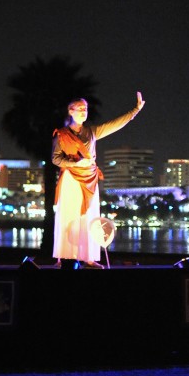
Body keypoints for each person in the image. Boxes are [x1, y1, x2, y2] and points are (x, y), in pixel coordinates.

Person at [52, 92, 145, 268]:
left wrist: (135, 110)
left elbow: (115, 125)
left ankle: (88, 257)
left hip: (90, 179)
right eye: (79, 109)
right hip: (71, 179)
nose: (83, 112)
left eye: (85, 109)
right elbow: (56, 159)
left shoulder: (92, 132)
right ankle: (63, 257)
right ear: (70, 111)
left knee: (90, 218)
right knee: (68, 216)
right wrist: (76, 162)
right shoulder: (62, 135)